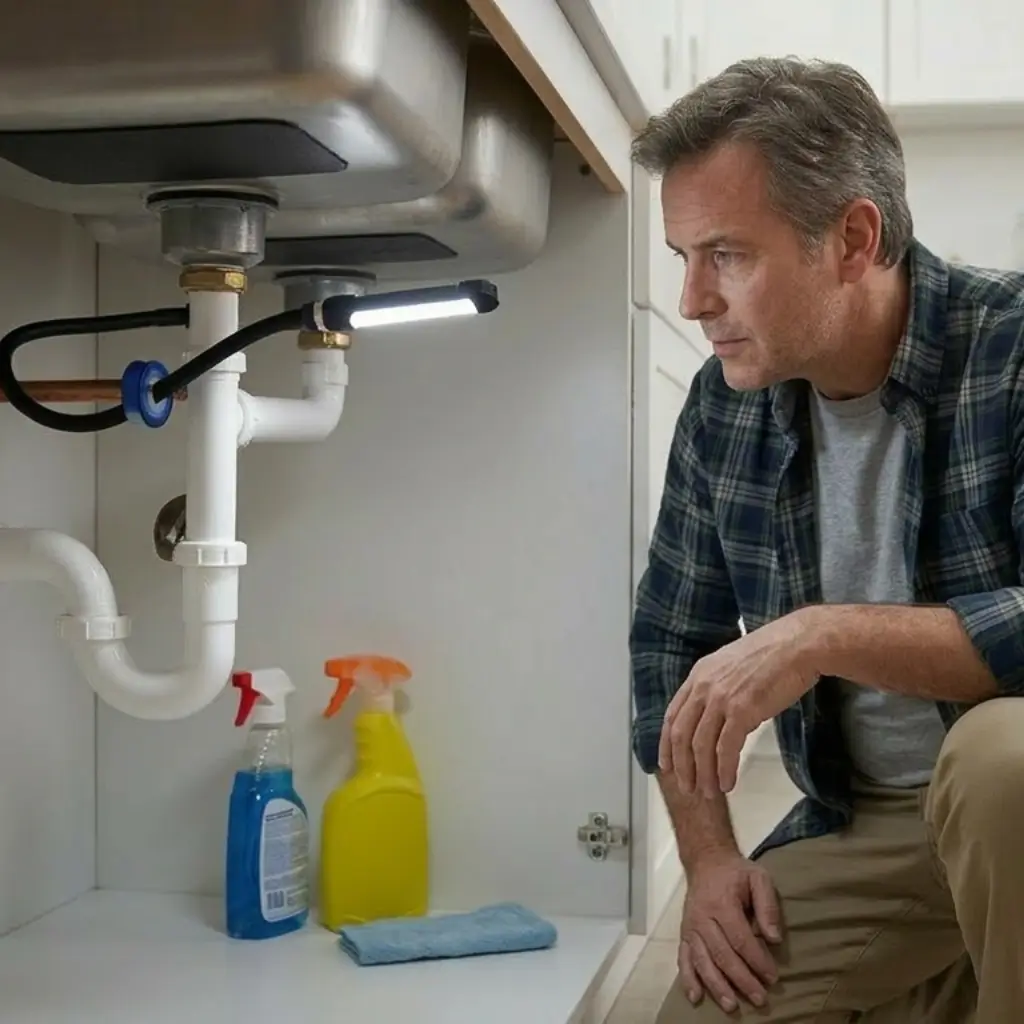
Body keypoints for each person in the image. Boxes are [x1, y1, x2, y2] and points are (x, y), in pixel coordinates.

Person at [629, 56, 1024, 1023]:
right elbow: (668, 647)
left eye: (727, 255)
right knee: (703, 1011)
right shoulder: (725, 407)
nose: (693, 299)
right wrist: (710, 860)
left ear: (853, 239)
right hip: (875, 818)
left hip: (1010, 796)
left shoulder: (1013, 347)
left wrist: (818, 635)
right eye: (683, 257)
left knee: (999, 761)